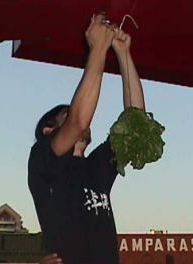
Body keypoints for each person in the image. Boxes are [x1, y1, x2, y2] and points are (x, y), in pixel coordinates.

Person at [28, 13, 145, 264]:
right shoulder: (42, 159)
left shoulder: (97, 166)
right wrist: (99, 48)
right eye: (66, 113)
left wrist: (123, 54)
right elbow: (79, 121)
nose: (86, 116)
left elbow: (137, 131)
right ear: (49, 130)